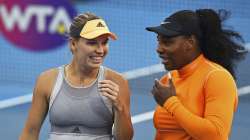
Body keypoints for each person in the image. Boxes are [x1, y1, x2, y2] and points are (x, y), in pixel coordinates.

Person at [20, 12, 133, 140]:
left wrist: (120, 108)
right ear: (73, 44)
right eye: (92, 43)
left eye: (104, 43)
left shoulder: (118, 82)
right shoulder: (47, 80)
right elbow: (30, 132)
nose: (100, 50)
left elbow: (125, 139)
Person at [146, 9, 247, 140]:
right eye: (158, 41)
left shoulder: (217, 77)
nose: (159, 48)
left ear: (190, 43)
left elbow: (217, 135)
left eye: (167, 42)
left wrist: (170, 103)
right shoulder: (168, 79)